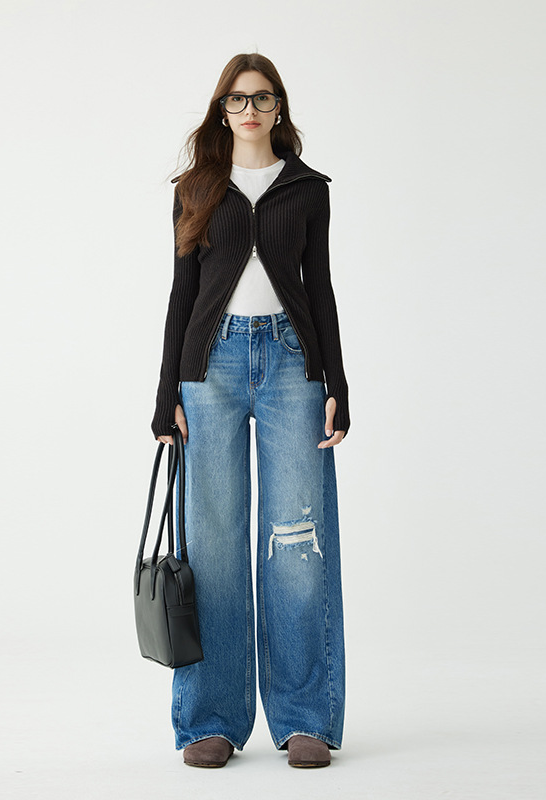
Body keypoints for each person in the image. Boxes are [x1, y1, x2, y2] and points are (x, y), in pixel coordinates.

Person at [151, 52, 349, 769]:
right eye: (237, 99)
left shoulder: (308, 190)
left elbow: (319, 287)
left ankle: (305, 718)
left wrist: (337, 382)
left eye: (262, 98)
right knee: (213, 545)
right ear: (223, 109)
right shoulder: (197, 188)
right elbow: (182, 293)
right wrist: (166, 394)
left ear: (278, 107)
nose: (250, 110)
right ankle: (212, 719)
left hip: (294, 364)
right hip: (211, 369)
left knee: (297, 541)